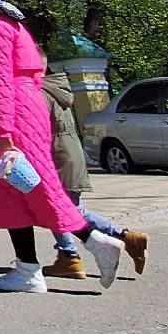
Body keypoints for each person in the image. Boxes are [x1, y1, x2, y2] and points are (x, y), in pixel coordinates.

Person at [0, 0, 125, 292]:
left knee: (34, 189)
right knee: (18, 192)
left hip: (9, 117)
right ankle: (32, 268)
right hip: (17, 112)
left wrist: (4, 131)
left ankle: (88, 244)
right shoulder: (8, 23)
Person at [43, 65, 149, 278]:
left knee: (62, 209)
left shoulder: (40, 91)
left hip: (57, 157)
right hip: (67, 154)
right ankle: (73, 255)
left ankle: (76, 253)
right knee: (65, 209)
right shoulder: (55, 88)